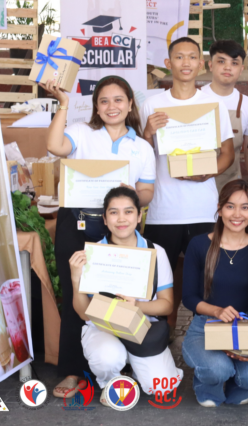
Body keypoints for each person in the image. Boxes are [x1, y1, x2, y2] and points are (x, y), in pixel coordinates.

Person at [38, 75, 156, 399]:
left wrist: (135, 195)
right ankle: (72, 370)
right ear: (96, 107)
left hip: (116, 226)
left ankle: (111, 364)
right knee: (75, 292)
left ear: (130, 104)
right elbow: (54, 146)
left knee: (113, 294)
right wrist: (64, 104)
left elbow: (147, 191)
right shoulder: (81, 132)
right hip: (74, 222)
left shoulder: (142, 147)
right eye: (104, 101)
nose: (111, 106)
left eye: (118, 100)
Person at [142, 37, 236, 330]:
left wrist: (207, 172)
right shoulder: (152, 104)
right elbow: (140, 154)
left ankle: (205, 337)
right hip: (162, 210)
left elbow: (228, 153)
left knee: (207, 280)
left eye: (192, 57)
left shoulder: (213, 104)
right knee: (158, 280)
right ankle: (162, 334)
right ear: (168, 63)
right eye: (179, 57)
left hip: (203, 208)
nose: (186, 63)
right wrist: (147, 133)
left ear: (201, 64)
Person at [69, 187, 182, 403]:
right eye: (113, 212)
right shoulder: (92, 254)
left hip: (142, 327)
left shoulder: (155, 252)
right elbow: (84, 314)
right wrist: (76, 279)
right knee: (107, 357)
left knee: (161, 387)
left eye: (128, 212)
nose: (121, 219)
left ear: (139, 216)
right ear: (104, 219)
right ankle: (111, 380)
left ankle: (137, 369)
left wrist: (136, 305)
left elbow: (167, 305)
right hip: (102, 327)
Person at [181, 180, 248, 406]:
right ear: (220, 208)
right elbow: (189, 297)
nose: (237, 214)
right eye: (230, 206)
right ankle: (208, 386)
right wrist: (217, 311)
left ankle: (236, 385)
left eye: (245, 207)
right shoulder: (199, 245)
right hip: (205, 325)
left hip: (242, 326)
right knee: (217, 369)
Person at [202, 41, 248, 212]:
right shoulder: (195, 99)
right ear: (210, 65)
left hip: (231, 188)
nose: (227, 67)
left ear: (241, 69)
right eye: (221, 61)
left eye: (234, 63)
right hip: (196, 185)